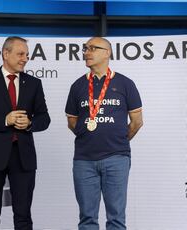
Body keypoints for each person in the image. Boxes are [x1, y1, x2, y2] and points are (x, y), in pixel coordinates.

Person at [0, 36, 50, 230]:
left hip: (23, 158)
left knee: (23, 216)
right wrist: (6, 120)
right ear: (6, 54)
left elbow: (44, 118)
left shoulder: (34, 83)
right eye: (20, 54)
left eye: (27, 55)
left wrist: (30, 123)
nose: (25, 59)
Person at [65, 37, 143, 230]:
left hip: (117, 158)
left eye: (92, 48)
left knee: (116, 218)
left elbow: (136, 122)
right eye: (85, 48)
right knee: (87, 219)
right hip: (84, 160)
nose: (86, 52)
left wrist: (117, 140)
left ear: (107, 53)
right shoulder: (77, 86)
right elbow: (72, 121)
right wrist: (88, 135)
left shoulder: (125, 83)